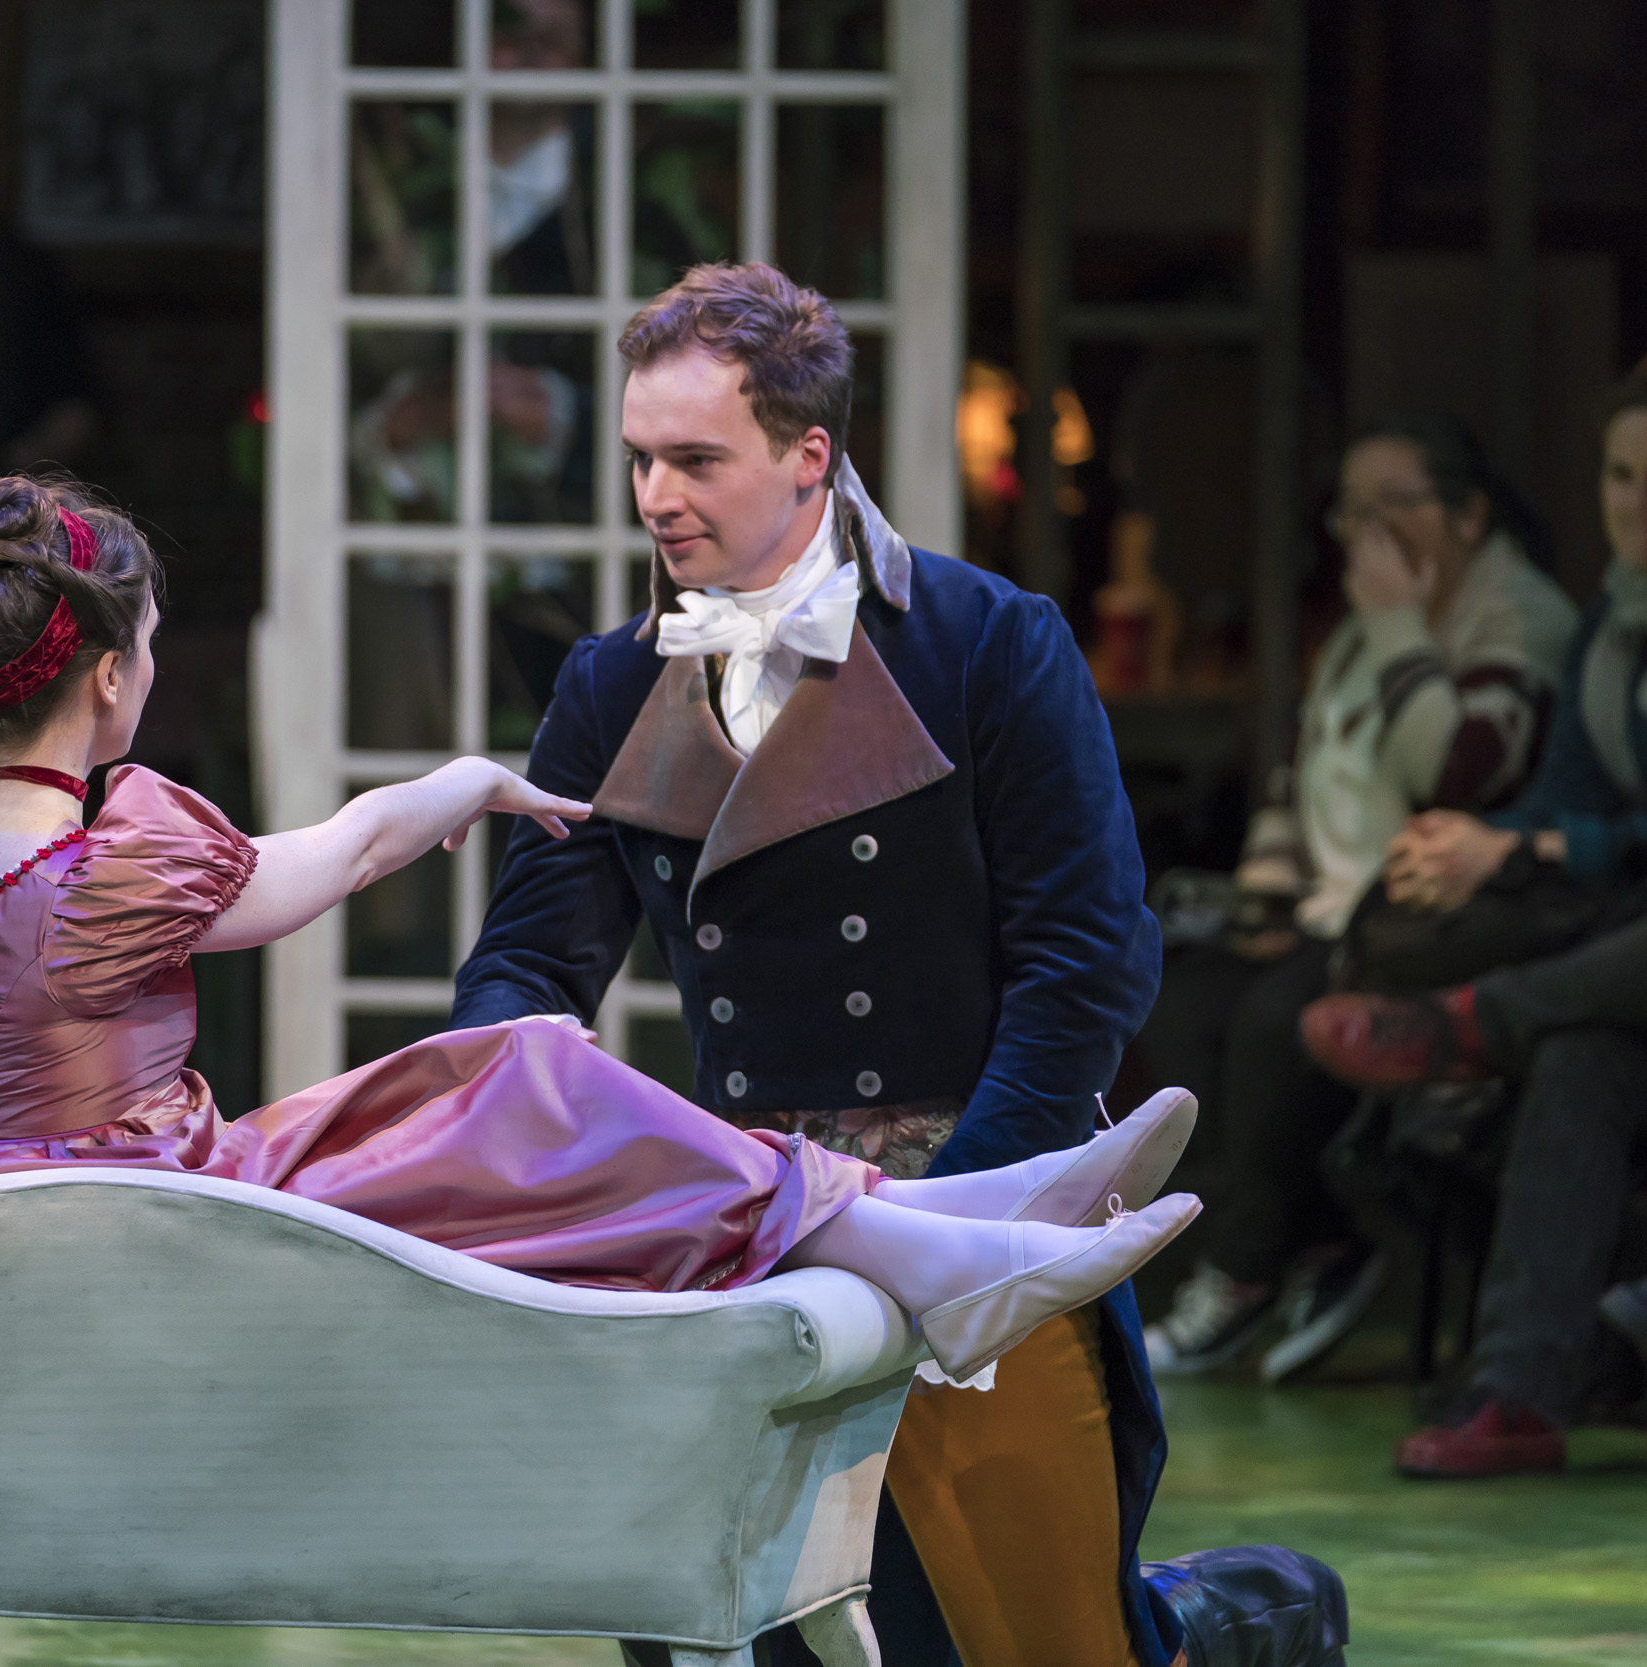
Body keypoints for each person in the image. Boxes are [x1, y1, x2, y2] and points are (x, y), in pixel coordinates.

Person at [0, 476, 1201, 1397]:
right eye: (151, 646)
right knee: (519, 1076)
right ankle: (933, 1235)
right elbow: (340, 854)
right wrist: (470, 782)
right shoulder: (125, 852)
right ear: (110, 676)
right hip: (157, 1235)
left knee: (510, 1072)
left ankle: (934, 1223)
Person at [448, 261, 1246, 1667]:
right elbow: (529, 960)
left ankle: (1256, 1621)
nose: (653, 496)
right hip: (751, 1224)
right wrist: (527, 1122)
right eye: (640, 457)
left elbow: (1087, 961)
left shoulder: (986, 643)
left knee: (1042, 1637)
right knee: (716, 1629)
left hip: (990, 1192)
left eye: (695, 459)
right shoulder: (613, 681)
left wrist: (966, 1228)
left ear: (811, 455)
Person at [1139, 412, 1576, 1379]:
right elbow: (1306, 779)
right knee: (1175, 1004)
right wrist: (1262, 895)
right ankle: (1321, 1236)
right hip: (1327, 913)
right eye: (1352, 515)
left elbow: (1456, 770)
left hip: (1435, 921)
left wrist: (1392, 622)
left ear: (1466, 515)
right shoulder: (1351, 633)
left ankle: (1248, 1272)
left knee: (1271, 1021)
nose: (1367, 537)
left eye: (1395, 509)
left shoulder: (1519, 617)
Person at [1303, 360, 1647, 1476]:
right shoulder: (1613, 625)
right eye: (1619, 475)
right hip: (1615, 952)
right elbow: (1565, 791)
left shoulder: (1543, 620)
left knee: (1549, 1007)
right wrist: (1489, 838)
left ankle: (1477, 1018)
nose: (1634, 502)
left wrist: (1538, 845)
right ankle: (1518, 1392)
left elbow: (1578, 827)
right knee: (1582, 1052)